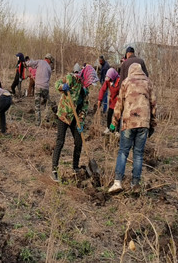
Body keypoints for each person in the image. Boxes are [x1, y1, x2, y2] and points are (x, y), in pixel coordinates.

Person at [108, 63, 157, 193]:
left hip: (129, 122)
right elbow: (153, 104)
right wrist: (152, 124)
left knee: (123, 151)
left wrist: (114, 121)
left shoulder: (126, 82)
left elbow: (119, 104)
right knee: (138, 154)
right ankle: (135, 184)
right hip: (143, 123)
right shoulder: (148, 83)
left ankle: (117, 182)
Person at [51, 64, 98, 182]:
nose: (90, 84)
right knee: (60, 141)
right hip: (64, 115)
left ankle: (75, 167)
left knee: (78, 141)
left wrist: (81, 121)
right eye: (90, 82)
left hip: (75, 118)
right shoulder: (72, 78)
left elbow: (84, 107)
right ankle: (54, 170)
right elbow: (56, 85)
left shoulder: (85, 91)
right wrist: (63, 86)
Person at [25, 53, 53, 126]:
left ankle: (38, 122)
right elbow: (49, 79)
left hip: (37, 87)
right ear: (49, 60)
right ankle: (46, 117)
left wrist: (25, 63)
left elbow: (31, 63)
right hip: (45, 88)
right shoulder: (49, 68)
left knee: (37, 105)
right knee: (48, 102)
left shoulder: (39, 62)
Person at [97, 68, 120, 133]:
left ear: (113, 77)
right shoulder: (108, 81)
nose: (109, 80)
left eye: (110, 79)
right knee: (110, 113)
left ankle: (117, 130)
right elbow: (102, 89)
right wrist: (99, 99)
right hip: (112, 100)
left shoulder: (120, 81)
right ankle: (108, 127)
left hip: (119, 101)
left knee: (117, 115)